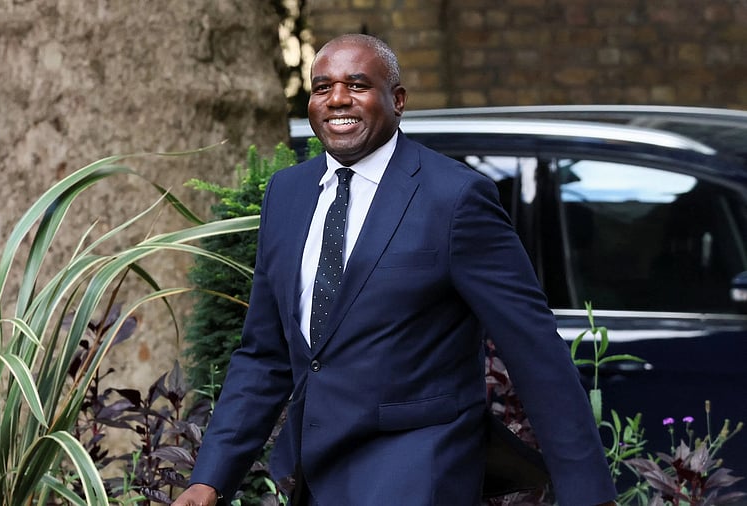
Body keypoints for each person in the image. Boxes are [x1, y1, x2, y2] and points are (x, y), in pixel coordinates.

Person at [173, 34, 617, 506]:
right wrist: (210, 478)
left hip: (420, 473)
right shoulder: (287, 193)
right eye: (322, 87)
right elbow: (265, 356)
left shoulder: (455, 198)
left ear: (398, 100)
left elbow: (534, 349)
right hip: (316, 475)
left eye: (357, 84)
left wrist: (588, 492)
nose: (337, 98)